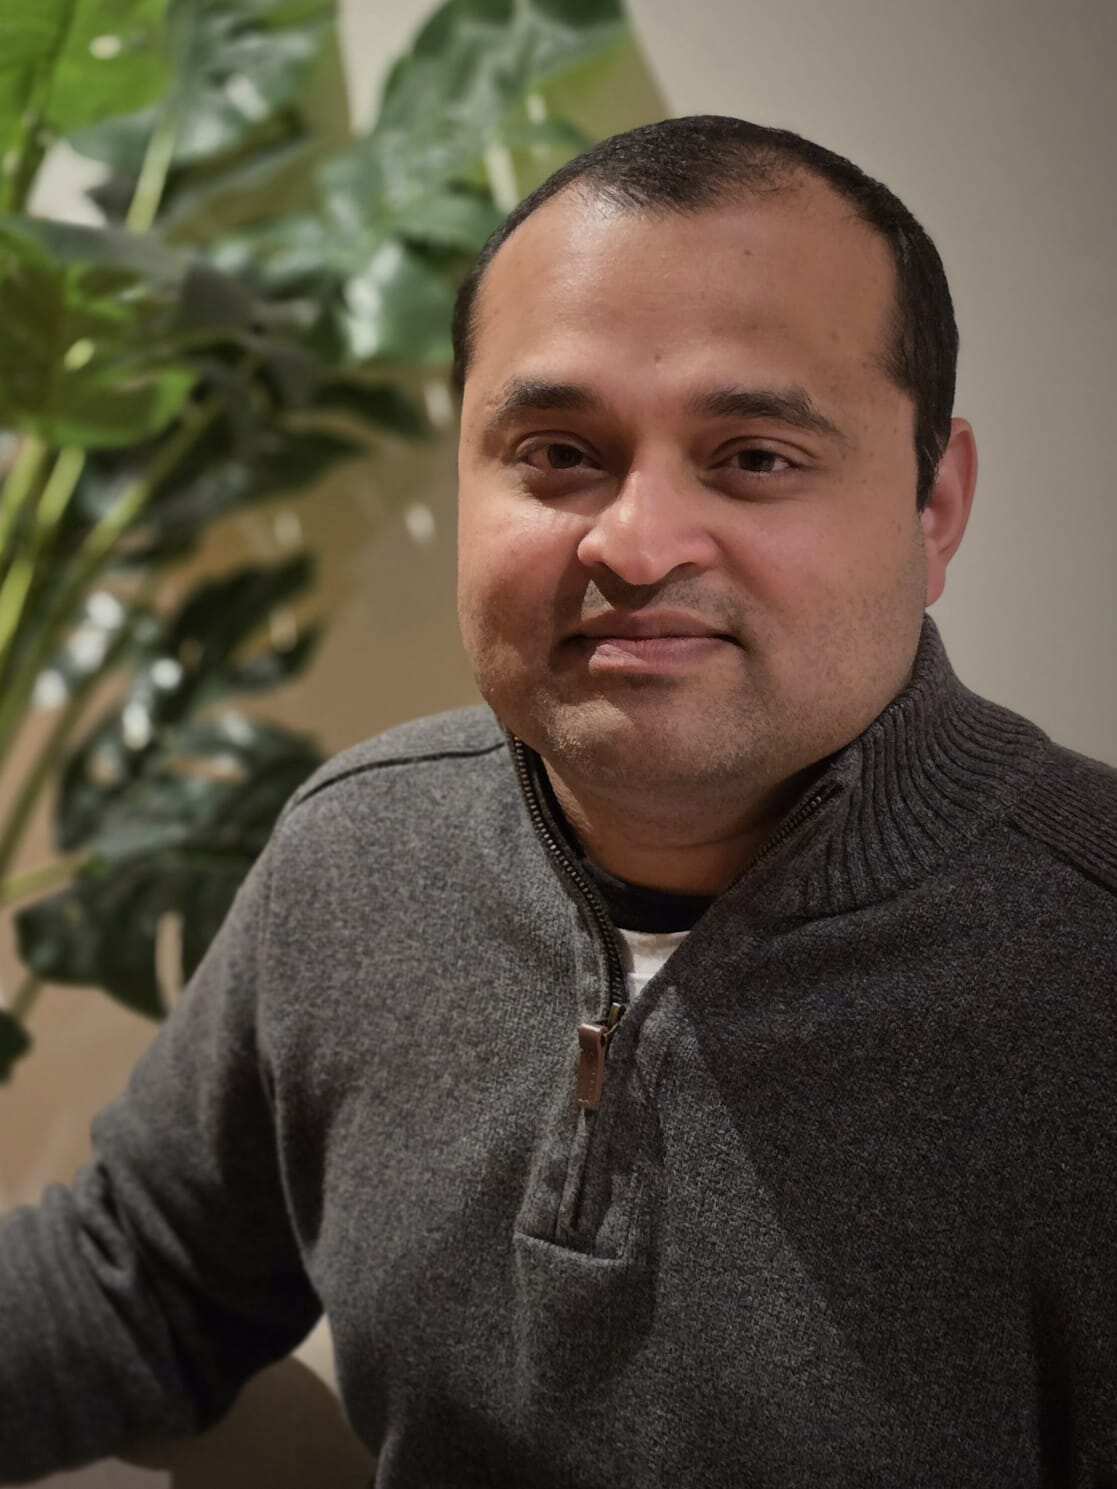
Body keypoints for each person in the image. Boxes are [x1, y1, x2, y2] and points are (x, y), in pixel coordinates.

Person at [1, 114, 1115, 1488]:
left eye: (753, 455)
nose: (635, 542)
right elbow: (142, 1279)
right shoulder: (360, 855)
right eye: (556, 453)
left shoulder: (1086, 964)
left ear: (930, 505)